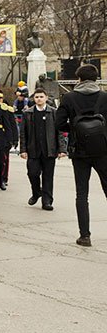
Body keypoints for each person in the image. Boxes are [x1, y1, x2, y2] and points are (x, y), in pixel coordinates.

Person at [54, 64, 107, 246]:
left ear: (79, 79)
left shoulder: (69, 98)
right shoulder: (104, 97)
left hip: (80, 152)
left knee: (82, 194)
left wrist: (76, 129)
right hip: (103, 151)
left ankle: (85, 236)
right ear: (96, 79)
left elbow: (59, 123)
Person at [19, 88, 66, 211]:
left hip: (49, 150)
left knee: (48, 176)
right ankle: (36, 192)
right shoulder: (28, 113)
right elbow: (23, 133)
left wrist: (62, 149)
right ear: (33, 99)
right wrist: (23, 149)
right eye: (36, 97)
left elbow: (59, 132)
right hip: (33, 150)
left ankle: (47, 201)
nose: (39, 99)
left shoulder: (54, 113)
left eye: (41, 97)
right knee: (32, 173)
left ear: (46, 98)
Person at [0, 91, 18, 191]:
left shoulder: (5, 108)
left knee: (3, 160)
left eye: (0, 98)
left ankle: (2, 178)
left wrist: (12, 139)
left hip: (1, 137)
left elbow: (11, 125)